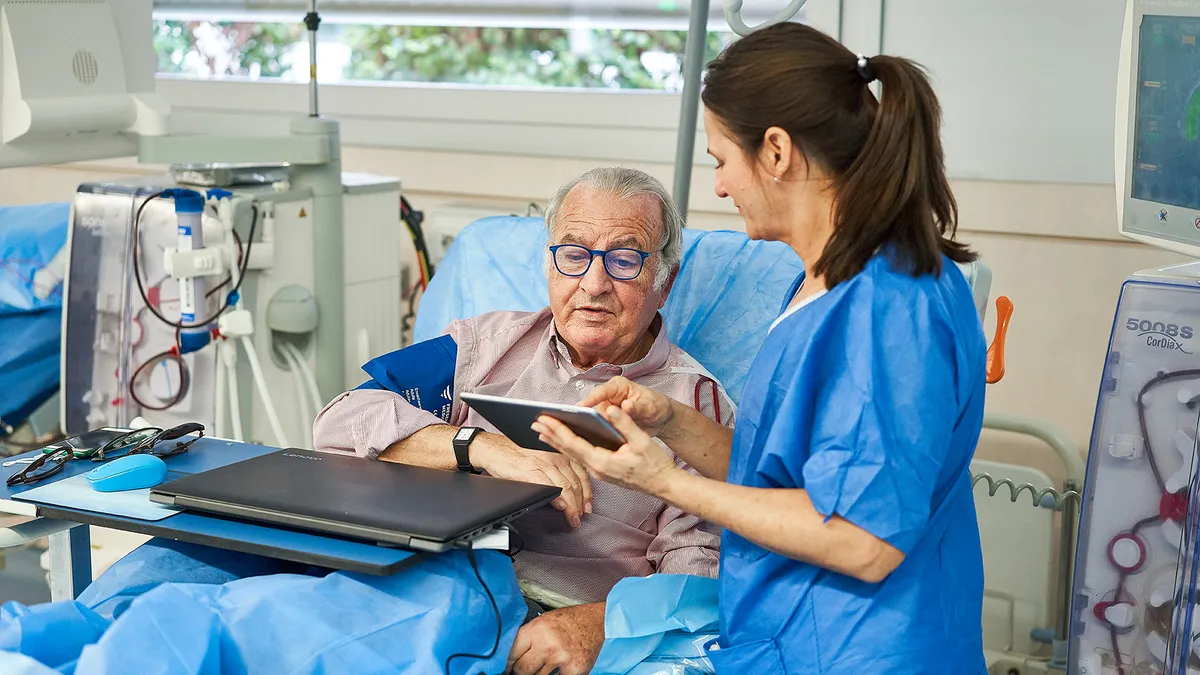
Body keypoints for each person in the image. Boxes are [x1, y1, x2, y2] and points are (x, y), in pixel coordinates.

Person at [532, 22, 988, 675]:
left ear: (775, 151)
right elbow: (785, 476)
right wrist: (673, 423)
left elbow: (863, 538)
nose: (719, 187)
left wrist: (663, 482)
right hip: (790, 637)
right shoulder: (817, 282)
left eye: (721, 160)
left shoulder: (888, 309)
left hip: (864, 650)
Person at [313, 167, 735, 675]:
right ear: (549, 266)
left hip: (559, 625)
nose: (593, 284)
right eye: (574, 255)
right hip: (434, 585)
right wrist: (487, 449)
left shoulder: (696, 413)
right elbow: (341, 420)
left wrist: (602, 624)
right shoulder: (484, 347)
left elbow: (698, 580)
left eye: (624, 260)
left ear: (663, 283)